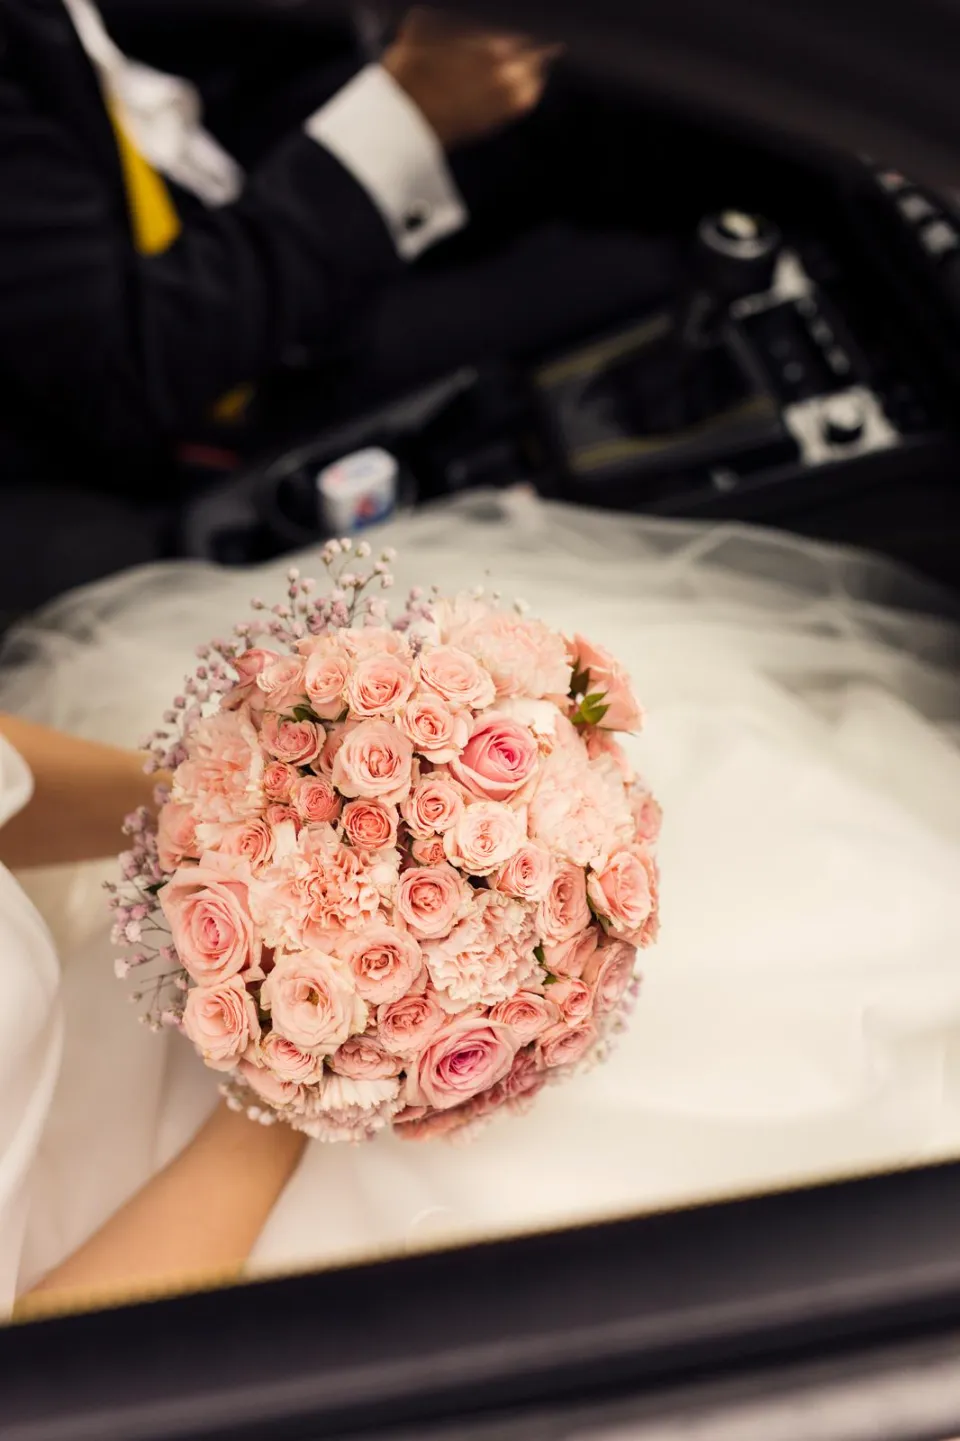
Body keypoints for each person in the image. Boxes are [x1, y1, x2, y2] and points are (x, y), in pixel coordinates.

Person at [1, 487, 959, 1294]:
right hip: (135, 1240)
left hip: (169, 980)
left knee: (798, 889)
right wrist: (307, 1082)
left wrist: (235, 809)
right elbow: (53, 1394)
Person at [0, 714, 306, 1317]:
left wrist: (219, 814)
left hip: (119, 1026)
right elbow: (45, 1387)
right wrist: (290, 1081)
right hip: (148, 1241)